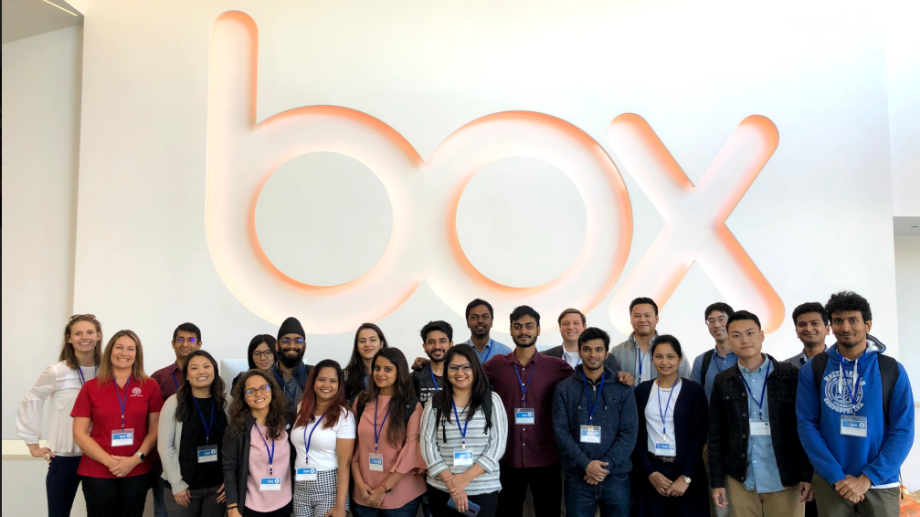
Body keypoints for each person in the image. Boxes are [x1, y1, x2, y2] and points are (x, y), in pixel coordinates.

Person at [796, 291, 914, 517]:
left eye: (853, 320)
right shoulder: (814, 368)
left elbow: (903, 430)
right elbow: (806, 424)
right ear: (831, 326)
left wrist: (868, 478)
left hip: (880, 482)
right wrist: (835, 475)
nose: (845, 327)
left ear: (867, 324)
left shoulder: (891, 369)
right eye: (838, 321)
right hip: (832, 481)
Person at [708, 311, 813, 517]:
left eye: (750, 333)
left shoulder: (789, 375)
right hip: (741, 478)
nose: (744, 340)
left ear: (762, 335)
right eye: (736, 335)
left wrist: (806, 475)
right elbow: (716, 435)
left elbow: (804, 427)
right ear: (729, 340)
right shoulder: (723, 381)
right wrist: (717, 482)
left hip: (784, 478)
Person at [482, 305, 574, 517]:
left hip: (546, 458)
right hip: (508, 458)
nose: (524, 331)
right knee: (507, 513)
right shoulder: (496, 365)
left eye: (529, 326)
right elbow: (466, 375)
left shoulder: (555, 366)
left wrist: (618, 377)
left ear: (538, 330)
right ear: (511, 330)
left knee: (549, 512)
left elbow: (585, 381)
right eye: (518, 326)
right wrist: (429, 364)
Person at [71, 330, 164, 517]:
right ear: (109, 351)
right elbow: (79, 433)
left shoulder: (150, 386)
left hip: (137, 469)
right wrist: (110, 462)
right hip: (97, 471)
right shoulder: (91, 387)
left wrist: (135, 459)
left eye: (131, 349)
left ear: (137, 354)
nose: (124, 353)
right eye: (119, 347)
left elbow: (155, 430)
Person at [17, 314, 102, 517]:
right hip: (64, 457)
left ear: (98, 335)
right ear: (69, 338)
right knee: (58, 513)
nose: (85, 337)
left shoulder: (108, 372)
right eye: (78, 333)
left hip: (98, 456)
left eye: (90, 332)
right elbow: (32, 399)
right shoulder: (57, 371)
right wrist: (32, 443)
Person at [552, 327, 638, 517]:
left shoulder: (622, 388)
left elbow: (629, 432)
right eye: (587, 349)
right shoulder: (564, 389)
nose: (593, 354)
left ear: (607, 353)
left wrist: (604, 466)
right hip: (578, 477)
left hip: (615, 477)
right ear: (580, 351)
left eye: (598, 349)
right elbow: (561, 431)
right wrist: (586, 464)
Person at [421, 346, 508, 517]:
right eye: (453, 367)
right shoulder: (435, 403)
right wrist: (452, 484)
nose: (460, 372)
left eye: (466, 367)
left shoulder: (491, 400)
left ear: (475, 368)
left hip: (482, 490)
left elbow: (497, 446)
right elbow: (427, 445)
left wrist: (464, 479)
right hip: (442, 490)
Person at [633, 335, 709, 517]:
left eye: (670, 356)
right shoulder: (642, 391)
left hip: (685, 470)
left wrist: (686, 477)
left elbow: (698, 436)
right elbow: (636, 436)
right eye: (659, 356)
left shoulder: (694, 391)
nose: (664, 362)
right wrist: (650, 473)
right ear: (652, 359)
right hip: (652, 471)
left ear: (680, 358)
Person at [351, 348, 427, 516]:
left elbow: (410, 454)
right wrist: (359, 483)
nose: (380, 373)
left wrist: (383, 489)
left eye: (388, 369)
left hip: (401, 496)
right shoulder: (362, 401)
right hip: (364, 492)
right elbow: (353, 448)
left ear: (399, 373)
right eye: (377, 368)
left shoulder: (412, 405)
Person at [158, 350, 229, 517]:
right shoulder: (174, 403)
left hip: (217, 489)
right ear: (187, 375)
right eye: (194, 368)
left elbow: (232, 446)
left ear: (215, 371)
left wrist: (229, 481)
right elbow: (165, 446)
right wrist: (177, 484)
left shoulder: (227, 403)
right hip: (183, 489)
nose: (201, 372)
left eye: (206, 366)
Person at [687, 302, 737, 517]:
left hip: (742, 437)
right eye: (711, 320)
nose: (717, 324)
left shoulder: (745, 355)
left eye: (722, 318)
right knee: (718, 498)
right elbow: (694, 401)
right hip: (712, 439)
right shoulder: (702, 361)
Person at [223, 370, 294, 517]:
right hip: (251, 506)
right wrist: (232, 507)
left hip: (284, 503)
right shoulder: (236, 428)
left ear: (271, 390)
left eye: (263, 388)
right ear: (243, 397)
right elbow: (229, 469)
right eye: (251, 391)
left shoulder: (288, 420)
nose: (258, 394)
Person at [151, 322, 205, 517]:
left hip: (200, 458)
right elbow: (153, 421)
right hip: (166, 458)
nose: (185, 344)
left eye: (191, 340)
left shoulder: (207, 377)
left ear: (199, 344)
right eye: (180, 339)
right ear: (173, 343)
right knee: (165, 510)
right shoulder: (158, 378)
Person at [290, 360, 355, 517]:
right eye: (321, 379)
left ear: (339, 385)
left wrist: (340, 506)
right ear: (313, 381)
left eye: (333, 381)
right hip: (300, 485)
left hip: (329, 486)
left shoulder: (344, 416)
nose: (326, 385)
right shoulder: (302, 408)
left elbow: (344, 465)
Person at [609, 297, 690, 387]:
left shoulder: (673, 349)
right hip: (629, 401)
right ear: (630, 320)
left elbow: (686, 382)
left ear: (656, 319)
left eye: (647, 315)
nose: (642, 320)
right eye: (637, 316)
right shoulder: (617, 352)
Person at [273, 317, 315, 414]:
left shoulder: (315, 375)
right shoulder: (265, 378)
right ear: (277, 346)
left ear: (305, 346)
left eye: (298, 341)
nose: (292, 345)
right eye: (285, 341)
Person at [345, 323, 390, 404]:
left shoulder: (395, 374)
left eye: (372, 340)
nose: (367, 344)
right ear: (357, 347)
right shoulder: (346, 376)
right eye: (362, 341)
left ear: (381, 344)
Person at [412, 321, 453, 404]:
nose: (437, 346)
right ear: (424, 347)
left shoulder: (460, 375)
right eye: (431, 342)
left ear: (451, 344)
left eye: (442, 341)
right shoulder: (415, 378)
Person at [461, 298, 512, 364]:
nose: (480, 321)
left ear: (491, 322)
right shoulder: (459, 352)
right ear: (467, 322)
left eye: (485, 317)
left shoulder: (505, 352)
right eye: (475, 317)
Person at [784, 302, 831, 370]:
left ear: (827, 329)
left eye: (814, 323)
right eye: (802, 324)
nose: (808, 329)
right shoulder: (787, 367)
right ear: (796, 331)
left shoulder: (841, 362)